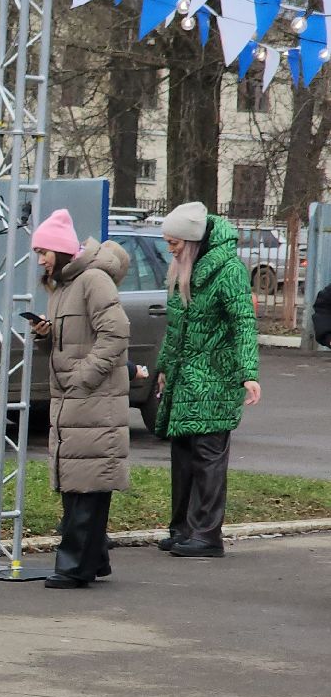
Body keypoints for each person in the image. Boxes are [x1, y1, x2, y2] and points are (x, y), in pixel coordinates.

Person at [28, 209, 130, 589]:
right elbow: (75, 339)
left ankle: (74, 568)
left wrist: (84, 376)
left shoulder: (93, 281)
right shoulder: (62, 288)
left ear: (61, 251)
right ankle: (94, 559)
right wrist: (44, 336)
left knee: (86, 486)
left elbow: (116, 334)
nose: (40, 259)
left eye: (44, 252)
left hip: (92, 402)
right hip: (74, 402)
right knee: (78, 485)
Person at [153, 201, 261, 558]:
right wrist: (165, 368)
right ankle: (182, 528)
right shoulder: (186, 269)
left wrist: (249, 374)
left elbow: (243, 323)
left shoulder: (228, 270)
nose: (170, 249)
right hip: (186, 378)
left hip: (215, 377)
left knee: (208, 456)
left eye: (175, 243)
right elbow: (175, 328)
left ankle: (206, 534)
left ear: (192, 241)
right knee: (183, 454)